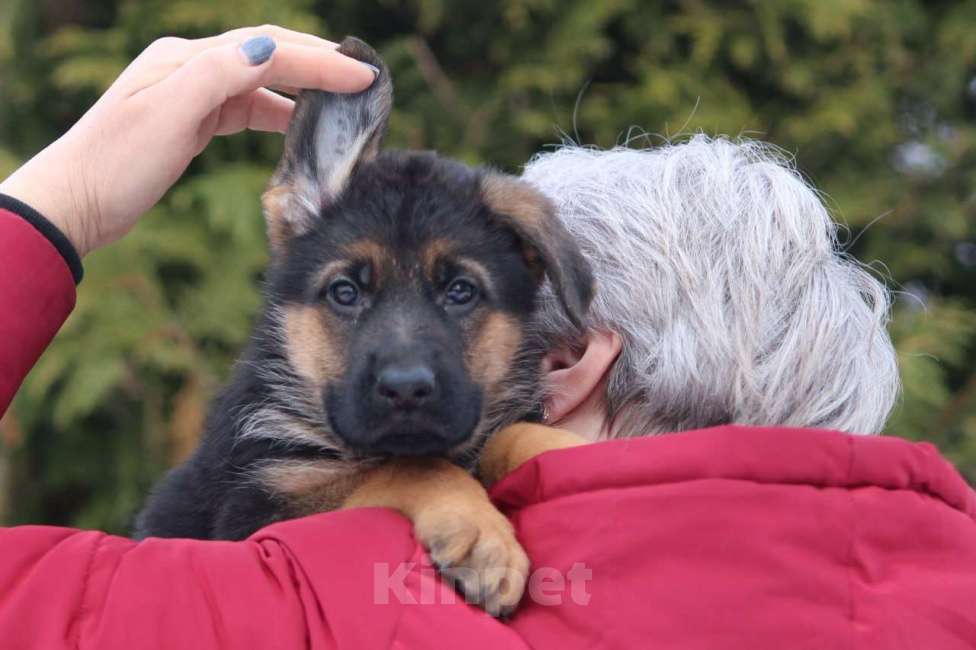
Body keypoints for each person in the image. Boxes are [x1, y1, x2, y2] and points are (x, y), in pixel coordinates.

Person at [1, 25, 974, 650]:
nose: (409, 355)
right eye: (349, 293)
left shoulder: (298, 613)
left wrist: (59, 207)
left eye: (465, 295)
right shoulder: (944, 591)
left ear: (566, 352)